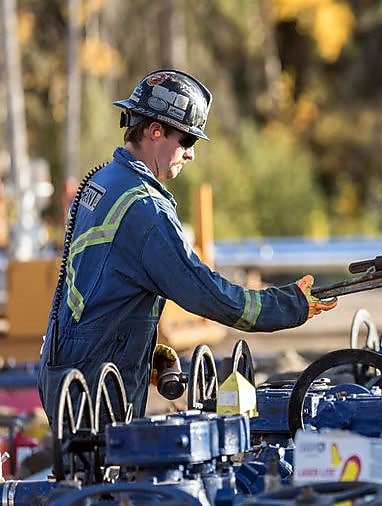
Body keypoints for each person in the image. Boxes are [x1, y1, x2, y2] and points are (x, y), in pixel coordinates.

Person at [38, 69, 338, 428]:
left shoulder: (104, 182)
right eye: (187, 141)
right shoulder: (144, 210)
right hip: (96, 394)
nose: (191, 154)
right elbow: (206, 294)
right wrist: (288, 305)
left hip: (68, 372)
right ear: (155, 131)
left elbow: (99, 286)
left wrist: (142, 354)